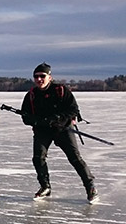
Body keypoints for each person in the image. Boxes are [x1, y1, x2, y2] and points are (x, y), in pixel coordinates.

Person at [19, 63, 98, 203]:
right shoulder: (31, 95)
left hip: (63, 129)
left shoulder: (61, 90)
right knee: (38, 158)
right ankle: (45, 186)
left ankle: (90, 187)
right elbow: (25, 117)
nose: (39, 79)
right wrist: (37, 121)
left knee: (75, 158)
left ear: (49, 77)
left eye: (42, 76)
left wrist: (57, 118)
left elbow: (73, 110)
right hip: (42, 131)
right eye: (36, 77)